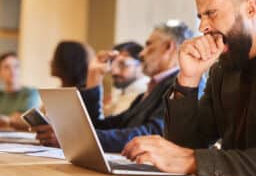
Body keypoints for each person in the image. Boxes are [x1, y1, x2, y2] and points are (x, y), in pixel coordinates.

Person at [122, 0, 256, 176]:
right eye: (200, 16)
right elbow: (184, 146)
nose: (203, 27)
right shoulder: (223, 71)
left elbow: (186, 156)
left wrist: (192, 160)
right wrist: (189, 78)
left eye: (211, 13)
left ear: (252, 8)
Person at [33, 21, 203, 152]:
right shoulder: (152, 90)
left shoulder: (182, 84)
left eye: (149, 44)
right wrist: (94, 78)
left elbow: (152, 134)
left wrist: (75, 138)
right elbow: (103, 126)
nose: (142, 53)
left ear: (168, 47)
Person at [104, 41, 149, 116]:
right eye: (112, 63)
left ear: (141, 65)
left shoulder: (147, 94)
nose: (114, 71)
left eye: (123, 64)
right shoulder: (121, 89)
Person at [0, 52, 40, 129]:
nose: (12, 71)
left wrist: (7, 120)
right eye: (6, 67)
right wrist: (11, 119)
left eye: (16, 66)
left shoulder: (31, 93)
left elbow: (26, 121)